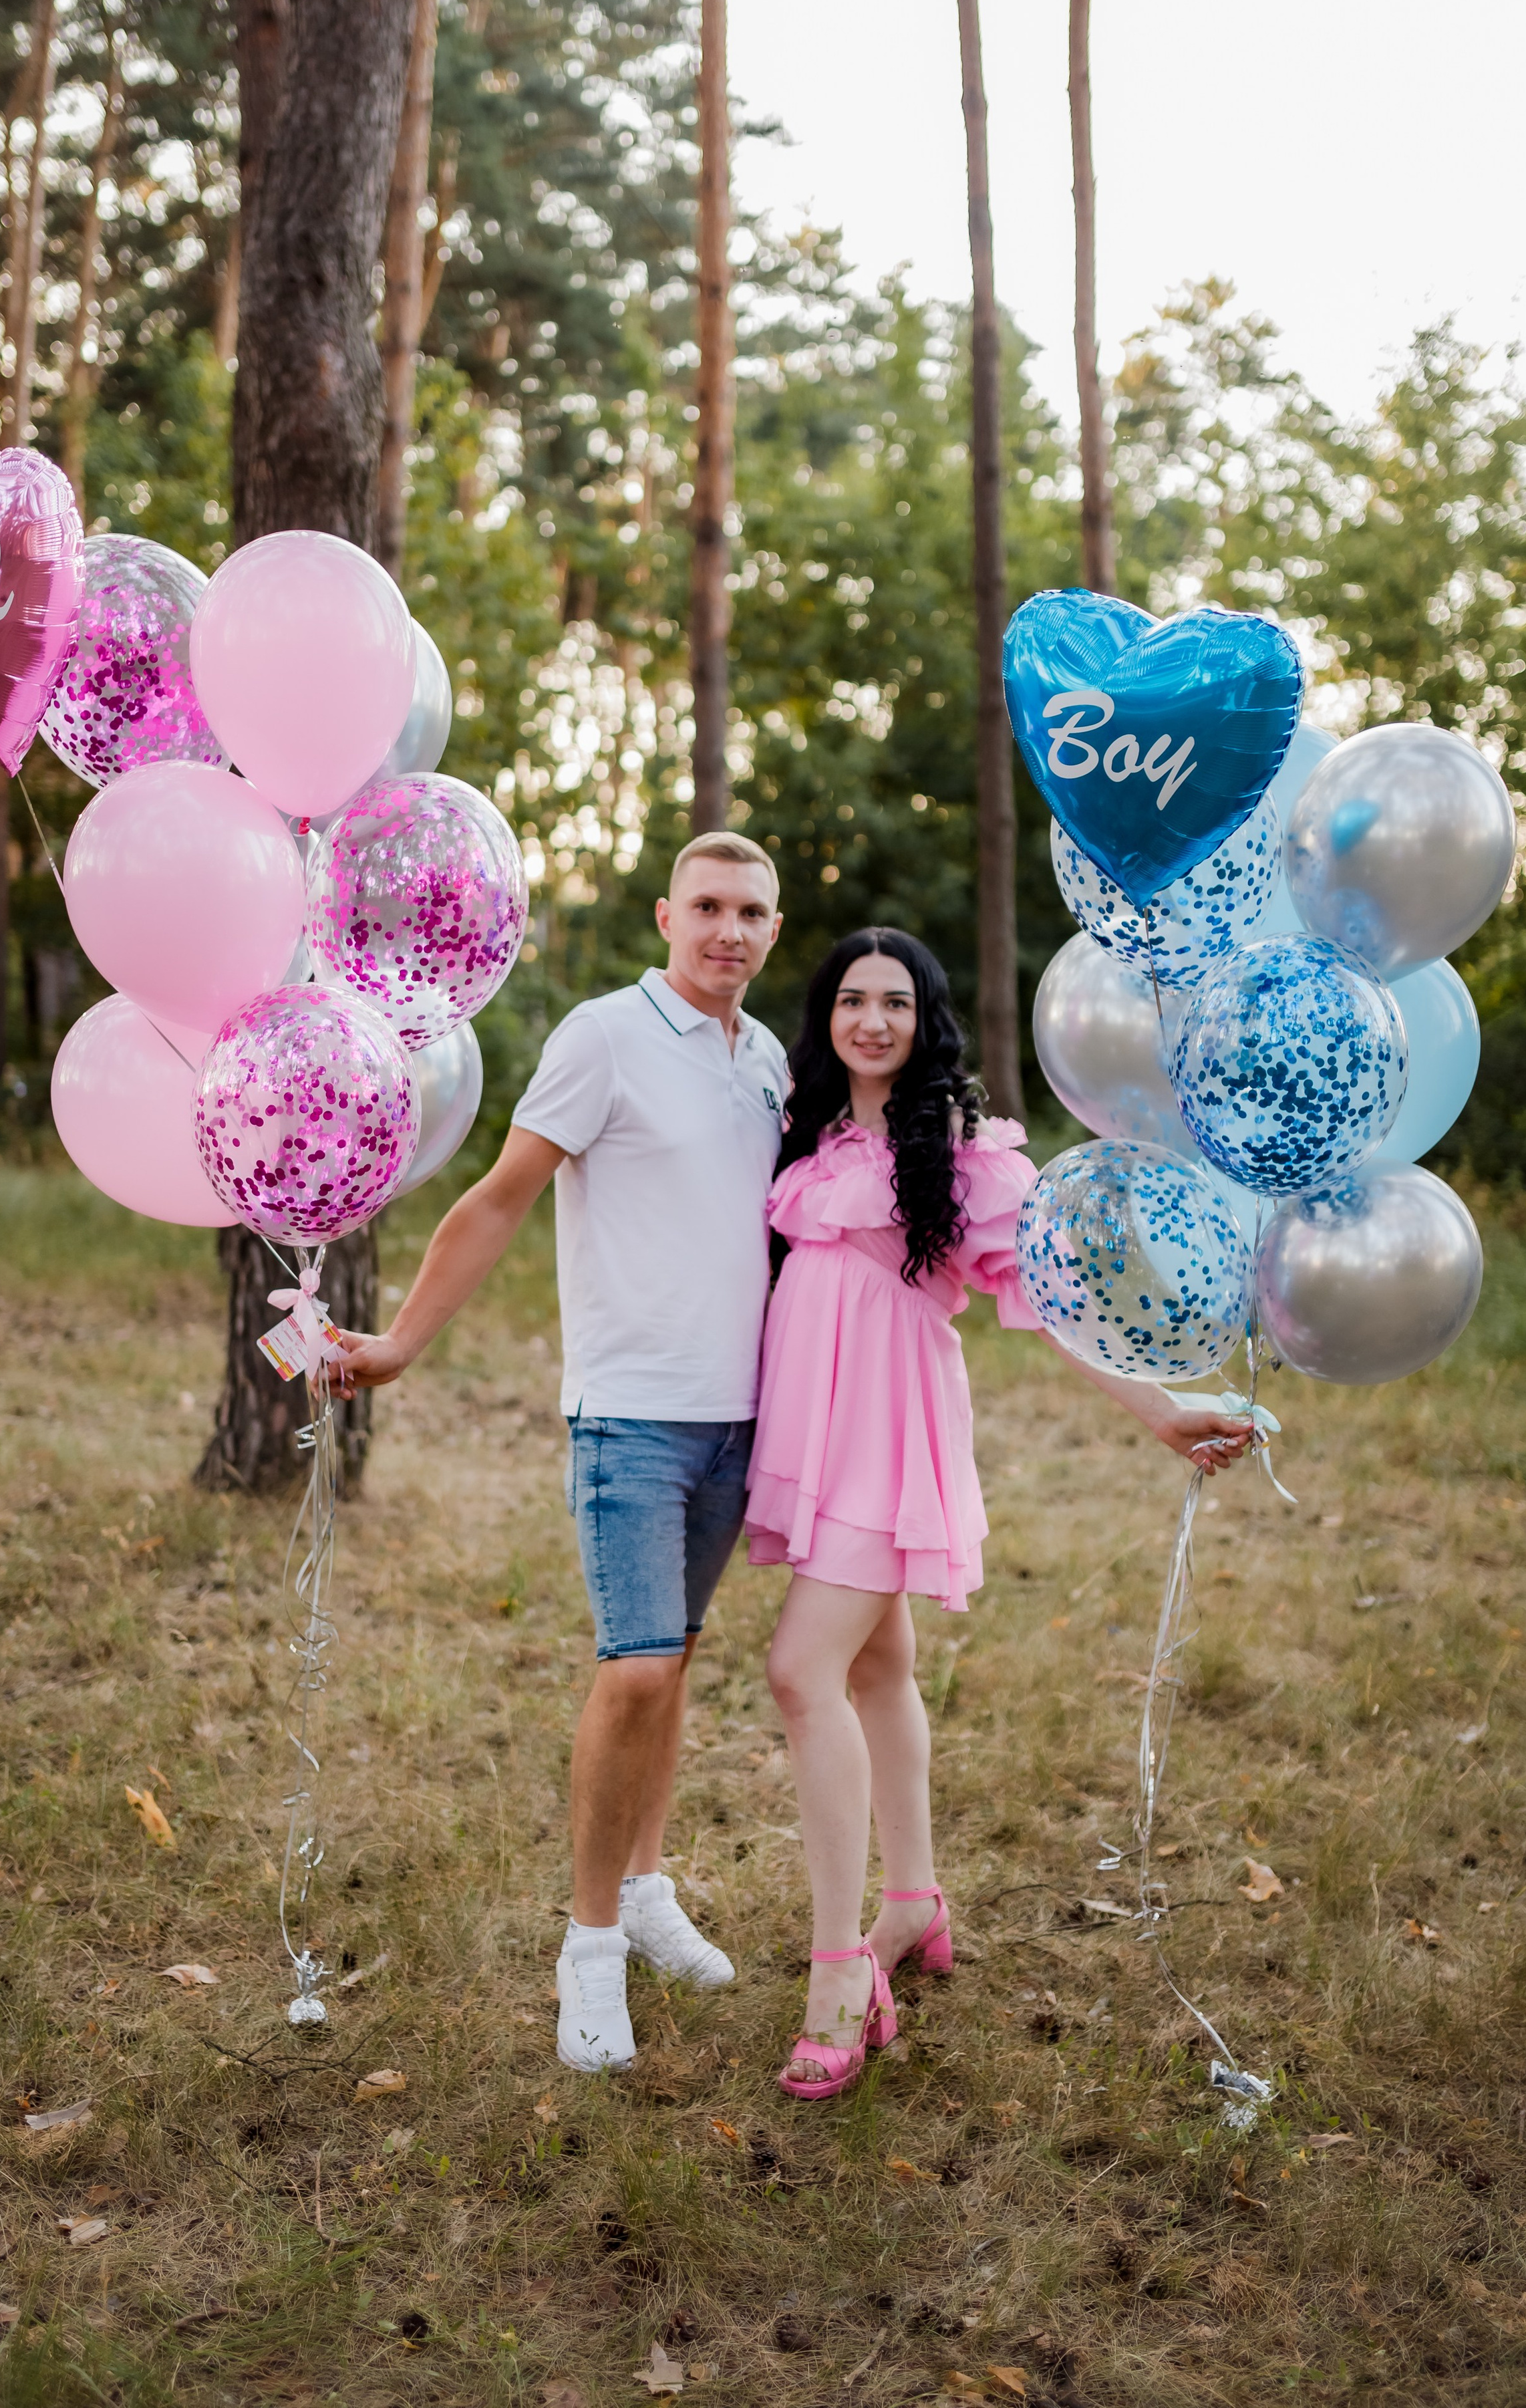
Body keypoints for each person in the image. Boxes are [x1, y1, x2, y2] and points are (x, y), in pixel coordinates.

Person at [748, 928, 1253, 2099]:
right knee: (878, 1670)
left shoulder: (967, 1155)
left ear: (928, 1020)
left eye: (897, 1003)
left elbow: (1055, 1298)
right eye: (852, 1000)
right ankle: (917, 1904)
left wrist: (1160, 1407)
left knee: (798, 1673)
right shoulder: (809, 1134)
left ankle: (839, 1977)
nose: (872, 1021)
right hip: (810, 1434)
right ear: (826, 1013)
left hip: (887, 1434)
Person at [333, 832, 788, 2073]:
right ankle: (588, 1951)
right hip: (629, 1416)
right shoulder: (602, 1036)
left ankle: (647, 1896)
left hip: (738, 1420)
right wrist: (403, 1344)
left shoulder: (769, 1062)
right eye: (707, 907)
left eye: (751, 912)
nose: (728, 931)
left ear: (773, 929)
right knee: (635, 1672)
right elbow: (498, 1196)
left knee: (679, 1663)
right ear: (664, 916)